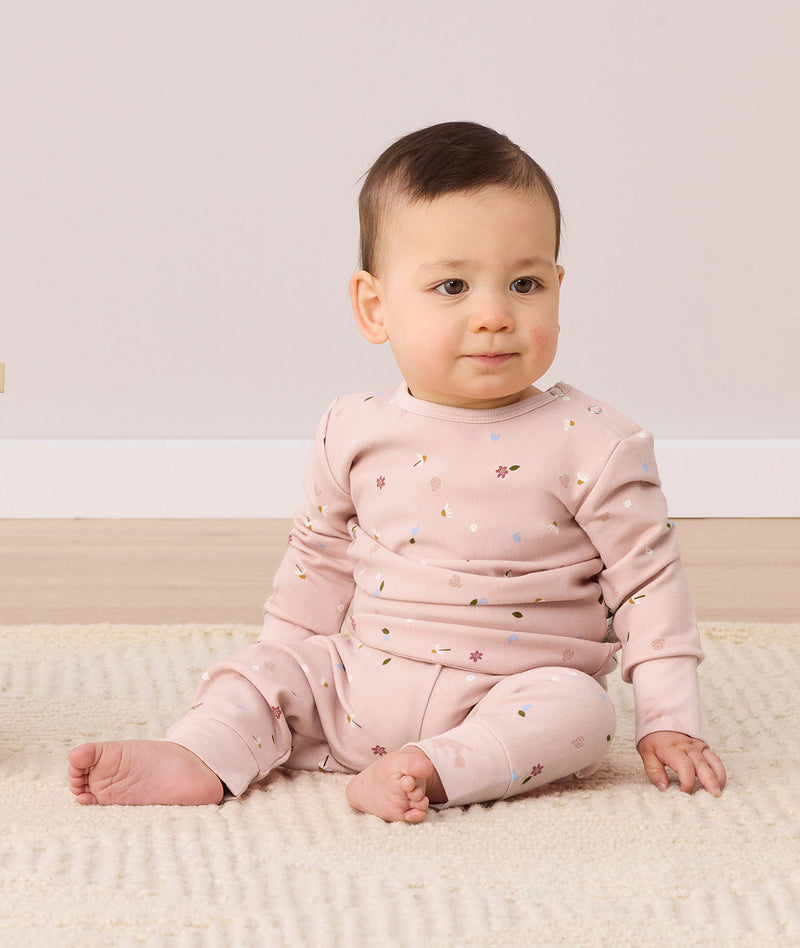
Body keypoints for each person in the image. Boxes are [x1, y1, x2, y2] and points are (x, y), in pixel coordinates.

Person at [69, 121, 726, 821]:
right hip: (360, 683)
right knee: (257, 671)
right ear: (375, 308)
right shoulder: (352, 426)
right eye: (451, 286)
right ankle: (202, 754)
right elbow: (315, 560)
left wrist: (668, 716)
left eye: (525, 283)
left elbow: (649, 587)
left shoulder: (596, 442)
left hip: (508, 695)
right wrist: (281, 671)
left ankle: (433, 769)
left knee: (584, 713)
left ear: (559, 288)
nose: (495, 315)